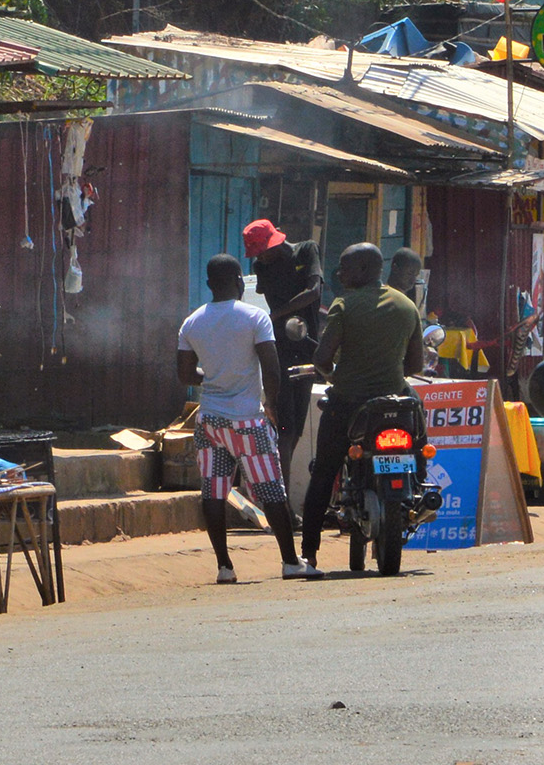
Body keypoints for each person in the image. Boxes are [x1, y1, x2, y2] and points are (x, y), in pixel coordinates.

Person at [177, 254, 311, 584]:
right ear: (240, 281)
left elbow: (184, 374)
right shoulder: (255, 317)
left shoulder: (191, 323)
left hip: (209, 421)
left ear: (209, 284)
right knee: (271, 490)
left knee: (214, 491)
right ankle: (291, 562)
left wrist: (213, 376)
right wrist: (272, 405)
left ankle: (224, 567)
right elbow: (272, 369)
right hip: (247, 420)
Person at [296, 243, 428, 571]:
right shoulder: (406, 305)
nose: (340, 274)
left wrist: (333, 374)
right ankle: (422, 485)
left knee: (324, 471)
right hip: (394, 399)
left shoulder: (344, 305)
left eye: (345, 268)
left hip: (349, 404)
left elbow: (322, 358)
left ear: (366, 270)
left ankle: (309, 555)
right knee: (418, 431)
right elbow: (416, 365)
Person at [244, 220, 321, 439]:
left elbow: (313, 291)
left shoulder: (306, 250)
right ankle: (281, 467)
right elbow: (260, 291)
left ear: (274, 242)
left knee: (298, 421)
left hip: (307, 347)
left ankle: (283, 467)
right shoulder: (262, 267)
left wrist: (277, 314)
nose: (260, 258)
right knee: (284, 424)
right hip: (280, 349)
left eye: (262, 252)